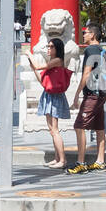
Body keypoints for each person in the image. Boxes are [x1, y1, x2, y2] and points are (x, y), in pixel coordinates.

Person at [67, 23, 106, 174]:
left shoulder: (90, 50)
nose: (83, 35)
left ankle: (81, 163)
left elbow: (86, 74)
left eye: (86, 32)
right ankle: (100, 161)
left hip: (92, 94)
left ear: (93, 35)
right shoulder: (103, 50)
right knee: (99, 128)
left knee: (79, 126)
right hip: (102, 94)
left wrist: (77, 93)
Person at [26, 38, 72, 169]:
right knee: (52, 130)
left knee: (55, 130)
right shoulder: (52, 62)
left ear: (57, 48)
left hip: (55, 97)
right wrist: (32, 65)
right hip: (48, 95)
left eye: (51, 46)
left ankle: (62, 160)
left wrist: (30, 55)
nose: (48, 48)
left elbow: (38, 67)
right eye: (48, 46)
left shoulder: (57, 61)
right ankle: (57, 158)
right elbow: (42, 81)